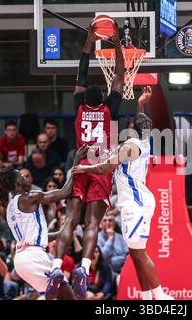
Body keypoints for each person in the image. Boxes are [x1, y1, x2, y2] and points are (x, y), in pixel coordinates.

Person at [52, 21, 124, 300]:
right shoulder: (111, 109)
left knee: (71, 219)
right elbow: (119, 75)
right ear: (103, 99)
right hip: (100, 167)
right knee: (93, 223)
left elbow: (81, 71)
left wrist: (88, 42)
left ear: (84, 98)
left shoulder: (78, 107)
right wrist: (116, 43)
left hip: (80, 164)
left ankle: (57, 268)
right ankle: (83, 268)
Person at [73, 108, 174, 300]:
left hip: (136, 204)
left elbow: (105, 167)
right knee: (135, 254)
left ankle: (161, 297)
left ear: (131, 129)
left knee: (140, 254)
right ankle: (146, 297)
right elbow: (142, 122)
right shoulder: (143, 141)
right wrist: (142, 106)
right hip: (134, 203)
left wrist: (84, 168)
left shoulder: (131, 145)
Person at [0, 146, 87, 300]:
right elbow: (65, 192)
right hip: (33, 256)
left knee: (61, 295)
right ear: (17, 181)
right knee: (68, 296)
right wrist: (75, 163)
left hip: (21, 260)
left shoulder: (10, 208)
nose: (25, 179)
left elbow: (35, 236)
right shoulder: (29, 197)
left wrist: (59, 234)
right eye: (22, 176)